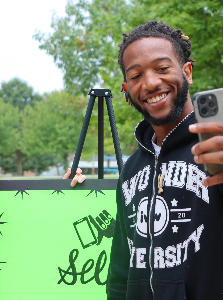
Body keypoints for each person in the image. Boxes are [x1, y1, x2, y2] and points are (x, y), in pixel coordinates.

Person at [92, 20, 223, 299]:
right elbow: (120, 271)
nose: (150, 83)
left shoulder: (215, 147)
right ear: (126, 89)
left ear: (187, 72)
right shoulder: (130, 169)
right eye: (136, 76)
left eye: (162, 68)